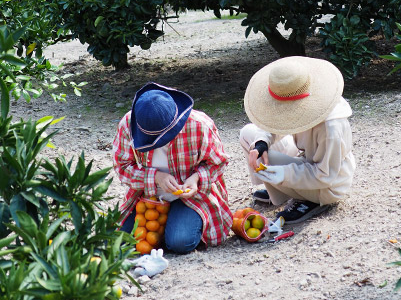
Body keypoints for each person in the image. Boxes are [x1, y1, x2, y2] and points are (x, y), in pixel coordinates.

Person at [113, 82, 232, 253]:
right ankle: (167, 225)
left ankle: (173, 224)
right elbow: (122, 167)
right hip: (147, 196)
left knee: (180, 243)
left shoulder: (199, 125)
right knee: (122, 243)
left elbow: (218, 162)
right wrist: (155, 177)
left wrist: (196, 178)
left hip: (191, 197)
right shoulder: (129, 124)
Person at [239, 56, 355, 225]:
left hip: (327, 185)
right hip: (305, 160)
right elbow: (274, 124)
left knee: (270, 162)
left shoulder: (331, 127)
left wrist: (284, 174)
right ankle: (280, 193)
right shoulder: (298, 96)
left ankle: (310, 199)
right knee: (249, 134)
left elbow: (325, 175)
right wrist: (262, 142)